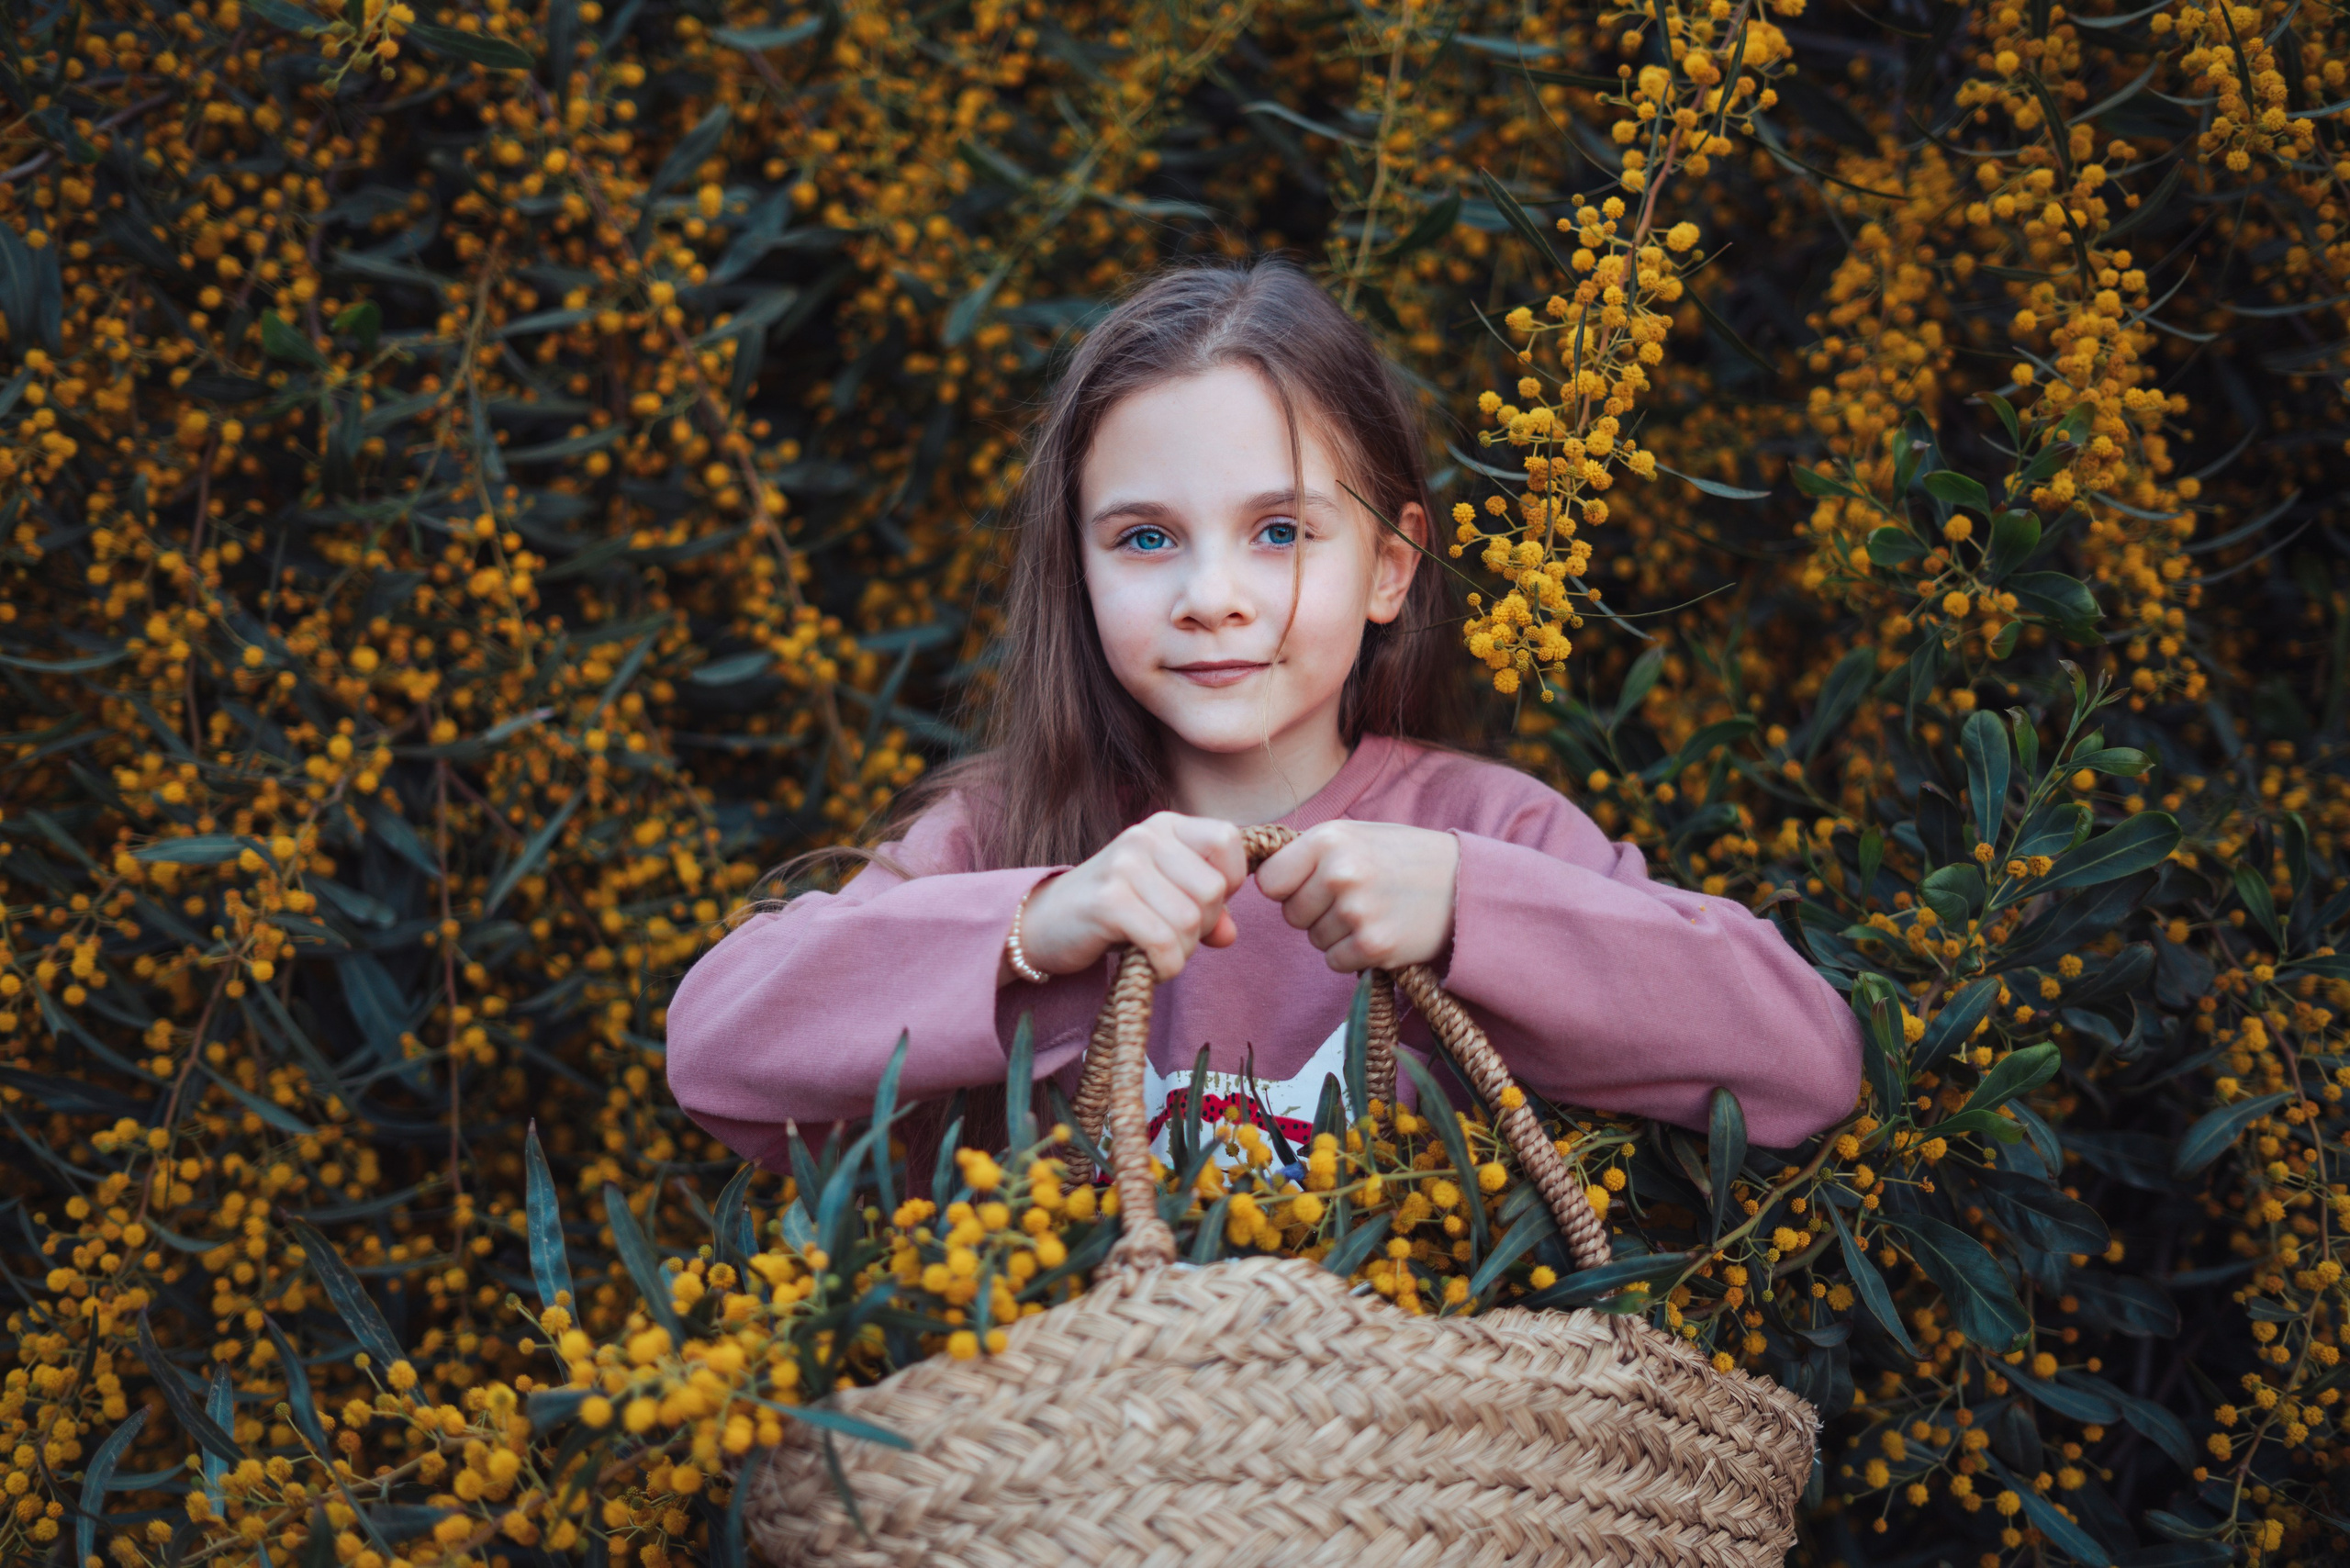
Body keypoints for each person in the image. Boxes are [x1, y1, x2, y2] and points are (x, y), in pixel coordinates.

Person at [664, 258, 1861, 1175]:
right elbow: (716, 1051)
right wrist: (1038, 928)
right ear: (1076, 571)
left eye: (1281, 532)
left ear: (1390, 569)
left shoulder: (1482, 830)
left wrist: (1464, 908)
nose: (1212, 597)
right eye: (1144, 538)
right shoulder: (999, 836)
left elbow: (1806, 1064)